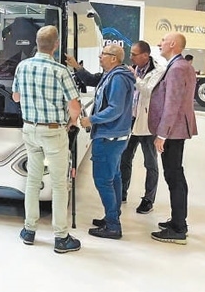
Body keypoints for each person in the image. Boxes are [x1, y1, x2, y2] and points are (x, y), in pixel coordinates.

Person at [12, 25, 82, 254]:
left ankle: (29, 230)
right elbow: (74, 106)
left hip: (29, 130)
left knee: (33, 180)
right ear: (56, 45)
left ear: (36, 42)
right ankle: (61, 237)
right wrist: (72, 121)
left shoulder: (22, 66)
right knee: (59, 184)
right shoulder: (60, 71)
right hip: (53, 131)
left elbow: (16, 97)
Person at [80, 45, 135, 239]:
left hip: (109, 136)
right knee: (114, 177)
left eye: (103, 54)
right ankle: (112, 216)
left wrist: (91, 119)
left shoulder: (117, 78)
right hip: (116, 136)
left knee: (103, 180)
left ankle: (113, 226)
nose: (100, 56)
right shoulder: (112, 75)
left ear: (114, 58)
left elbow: (114, 109)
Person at [149, 32, 197, 245]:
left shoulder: (177, 68)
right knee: (175, 175)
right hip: (176, 130)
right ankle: (178, 221)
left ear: (173, 44)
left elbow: (172, 104)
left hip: (173, 131)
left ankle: (178, 228)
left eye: (163, 40)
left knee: (174, 176)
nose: (159, 43)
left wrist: (162, 134)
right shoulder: (180, 66)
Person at [120, 41, 164, 213]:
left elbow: (147, 91)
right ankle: (122, 192)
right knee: (124, 158)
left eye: (134, 54)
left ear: (145, 55)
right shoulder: (133, 68)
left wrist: (135, 77)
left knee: (150, 163)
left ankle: (148, 200)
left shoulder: (158, 70)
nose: (131, 57)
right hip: (130, 121)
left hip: (148, 124)